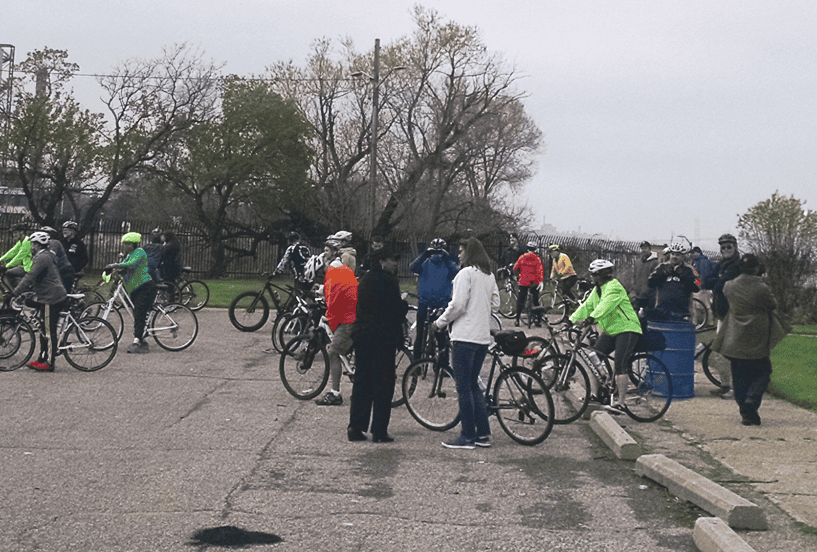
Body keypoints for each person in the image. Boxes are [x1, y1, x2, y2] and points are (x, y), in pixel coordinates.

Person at [433, 237, 500, 449]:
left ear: (469, 253)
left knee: (463, 388)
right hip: (482, 337)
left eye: (461, 251)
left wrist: (440, 322)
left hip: (464, 337)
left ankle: (467, 435)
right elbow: (496, 304)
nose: (458, 255)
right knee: (473, 386)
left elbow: (458, 305)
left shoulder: (465, 274)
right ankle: (483, 433)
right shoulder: (489, 276)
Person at [710, 254, 784, 426]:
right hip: (757, 336)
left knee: (739, 376)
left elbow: (722, 292)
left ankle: (746, 413)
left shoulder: (730, 286)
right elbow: (772, 305)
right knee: (763, 371)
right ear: (756, 268)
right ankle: (752, 398)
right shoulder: (761, 287)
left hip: (735, 336)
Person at [347, 247, 408, 443]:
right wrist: (404, 304)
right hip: (383, 337)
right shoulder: (389, 281)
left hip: (363, 334)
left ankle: (356, 426)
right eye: (392, 260)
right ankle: (379, 430)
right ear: (382, 261)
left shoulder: (365, 279)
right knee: (383, 383)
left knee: (362, 381)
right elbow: (395, 310)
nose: (395, 264)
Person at [569, 259, 642, 413]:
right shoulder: (597, 290)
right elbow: (587, 306)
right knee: (594, 357)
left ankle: (621, 403)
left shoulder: (614, 287)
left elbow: (605, 306)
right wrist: (571, 320)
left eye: (593, 275)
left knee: (620, 364)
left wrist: (590, 319)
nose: (591, 277)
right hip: (611, 330)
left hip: (627, 328)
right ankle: (596, 395)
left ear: (600, 275)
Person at [12, 231, 68, 372]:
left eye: (33, 244)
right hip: (46, 296)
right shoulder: (44, 256)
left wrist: (15, 292)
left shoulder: (43, 257)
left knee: (48, 332)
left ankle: (50, 363)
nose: (31, 246)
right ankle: (42, 358)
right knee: (43, 329)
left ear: (38, 245)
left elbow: (30, 276)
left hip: (51, 298)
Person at [315, 240, 358, 406]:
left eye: (327, 250)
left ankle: (335, 393)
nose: (324, 253)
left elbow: (333, 294)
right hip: (352, 314)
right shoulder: (342, 268)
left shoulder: (333, 268)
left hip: (346, 318)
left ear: (334, 252)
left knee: (333, 352)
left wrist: (331, 314)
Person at [702, 233, 742, 398]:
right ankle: (725, 385)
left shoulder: (737, 265)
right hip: (722, 314)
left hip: (733, 314)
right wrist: (718, 280)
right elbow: (706, 282)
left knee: (733, 353)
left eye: (728, 247)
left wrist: (718, 280)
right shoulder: (721, 264)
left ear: (735, 247)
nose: (725, 249)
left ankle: (735, 388)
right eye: (723, 247)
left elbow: (719, 285)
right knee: (720, 352)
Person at [105, 232, 157, 354]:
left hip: (144, 286)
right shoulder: (129, 255)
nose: (125, 246)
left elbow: (131, 264)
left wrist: (115, 265)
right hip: (135, 288)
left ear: (134, 244)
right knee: (137, 313)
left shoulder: (139, 252)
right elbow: (125, 267)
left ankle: (137, 341)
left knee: (139, 312)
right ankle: (143, 337)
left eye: (128, 244)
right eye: (124, 244)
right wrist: (115, 271)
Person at [410, 238, 459, 355]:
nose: (436, 255)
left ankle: (442, 363)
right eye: (434, 252)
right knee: (420, 335)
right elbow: (412, 267)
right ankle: (416, 362)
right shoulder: (424, 263)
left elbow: (457, 274)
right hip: (425, 302)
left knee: (441, 337)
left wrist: (447, 259)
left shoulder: (448, 264)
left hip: (440, 304)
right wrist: (424, 255)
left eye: (439, 252)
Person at [647, 242, 700, 321]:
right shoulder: (661, 266)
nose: (674, 257)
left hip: (682, 312)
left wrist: (685, 277)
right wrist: (662, 274)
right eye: (673, 254)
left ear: (683, 256)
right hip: (662, 310)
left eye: (677, 255)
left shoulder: (690, 269)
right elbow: (650, 282)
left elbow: (699, 283)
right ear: (669, 255)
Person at [513, 241, 544, 327]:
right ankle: (538, 320)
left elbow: (515, 267)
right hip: (534, 282)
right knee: (535, 300)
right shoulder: (537, 259)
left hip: (524, 281)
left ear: (527, 249)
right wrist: (541, 281)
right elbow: (540, 271)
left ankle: (517, 320)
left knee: (520, 300)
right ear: (535, 249)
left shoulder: (522, 257)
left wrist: (517, 276)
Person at [42, 226, 75, 293]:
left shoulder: (54, 243)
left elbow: (51, 257)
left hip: (64, 271)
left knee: (61, 293)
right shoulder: (44, 245)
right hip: (58, 271)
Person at [630, 241, 659, 312]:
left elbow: (656, 280)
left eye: (645, 248)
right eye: (642, 248)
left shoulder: (655, 263)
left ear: (649, 249)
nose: (643, 250)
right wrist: (634, 288)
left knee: (647, 315)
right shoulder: (637, 262)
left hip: (649, 297)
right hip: (638, 296)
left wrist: (650, 292)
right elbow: (634, 276)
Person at [1, 223, 33, 289]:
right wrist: (1, 259)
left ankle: (16, 291)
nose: (14, 235)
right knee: (9, 273)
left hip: (30, 268)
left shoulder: (27, 241)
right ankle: (15, 289)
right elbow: (12, 252)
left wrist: (7, 266)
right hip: (25, 266)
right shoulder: (21, 242)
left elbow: (20, 256)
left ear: (22, 232)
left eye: (15, 232)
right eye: (13, 233)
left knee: (8, 272)